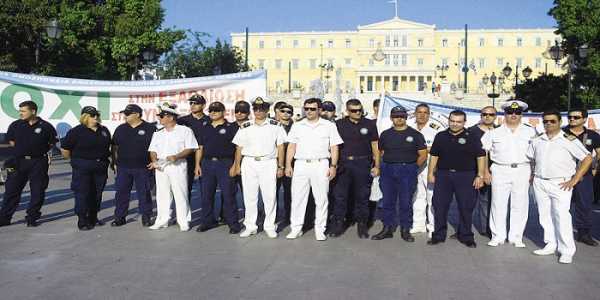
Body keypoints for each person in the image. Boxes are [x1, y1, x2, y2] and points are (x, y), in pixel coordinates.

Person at [528, 110, 592, 264]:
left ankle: (566, 250)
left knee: (561, 216)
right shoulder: (538, 140)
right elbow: (531, 158)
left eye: (552, 121)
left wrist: (575, 179)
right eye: (546, 121)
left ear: (559, 122)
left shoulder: (568, 139)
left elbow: (587, 158)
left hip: (560, 183)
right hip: (540, 181)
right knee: (544, 215)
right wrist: (532, 175)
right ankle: (550, 244)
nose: (549, 124)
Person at [285, 98, 343, 241]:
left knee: (321, 198)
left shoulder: (329, 126)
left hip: (321, 164)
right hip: (301, 164)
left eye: (312, 109)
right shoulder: (297, 125)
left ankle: (320, 229)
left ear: (319, 110)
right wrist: (288, 165)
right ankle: (296, 228)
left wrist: (333, 166)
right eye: (306, 108)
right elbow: (291, 146)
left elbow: (334, 147)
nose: (309, 111)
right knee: (298, 198)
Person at [481, 101, 536, 247]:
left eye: (517, 112)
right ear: (504, 114)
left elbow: (536, 153)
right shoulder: (494, 132)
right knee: (497, 203)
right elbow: (484, 152)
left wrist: (534, 172)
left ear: (521, 114)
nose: (513, 115)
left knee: (520, 204)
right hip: (500, 169)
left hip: (523, 169)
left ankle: (516, 237)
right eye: (510, 112)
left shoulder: (530, 131)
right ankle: (497, 236)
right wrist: (485, 172)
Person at [427, 110, 486, 248]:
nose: (455, 124)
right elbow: (434, 155)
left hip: (466, 176)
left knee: (466, 207)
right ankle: (438, 235)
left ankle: (466, 235)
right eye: (452, 121)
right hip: (443, 175)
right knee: (440, 206)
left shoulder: (472, 136)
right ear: (449, 120)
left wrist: (480, 175)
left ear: (464, 122)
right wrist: (431, 173)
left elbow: (480, 156)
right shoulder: (440, 136)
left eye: (458, 122)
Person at [233, 97, 287, 238]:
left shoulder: (276, 125)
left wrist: (280, 166)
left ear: (267, 110)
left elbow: (280, 147)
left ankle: (269, 226)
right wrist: (237, 165)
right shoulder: (245, 126)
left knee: (269, 196)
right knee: (249, 196)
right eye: (255, 109)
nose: (258, 111)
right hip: (249, 162)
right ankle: (250, 226)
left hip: (268, 162)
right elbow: (239, 147)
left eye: (261, 109)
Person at [373, 106, 427, 241]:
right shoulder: (385, 134)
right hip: (388, 170)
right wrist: (378, 167)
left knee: (405, 202)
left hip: (407, 170)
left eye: (402, 116)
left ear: (406, 118)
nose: (399, 119)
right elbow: (379, 152)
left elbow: (423, 155)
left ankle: (405, 229)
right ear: (391, 118)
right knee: (387, 200)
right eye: (396, 116)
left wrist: (413, 167)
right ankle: (387, 228)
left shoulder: (415, 134)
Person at [0, 100, 57, 227]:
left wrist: (38, 151)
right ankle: (4, 218)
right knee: (11, 191)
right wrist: (22, 150)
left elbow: (52, 142)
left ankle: (32, 217)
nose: (21, 113)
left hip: (38, 162)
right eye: (20, 111)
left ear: (33, 111)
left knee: (37, 191)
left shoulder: (46, 126)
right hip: (18, 161)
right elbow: (11, 141)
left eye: (23, 111)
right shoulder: (16, 125)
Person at [329, 99, 379, 239]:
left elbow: (375, 145)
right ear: (347, 111)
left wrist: (377, 165)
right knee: (340, 196)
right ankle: (338, 223)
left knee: (362, 196)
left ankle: (362, 225)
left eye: (359, 110)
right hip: (344, 164)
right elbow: (333, 145)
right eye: (354, 111)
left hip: (362, 163)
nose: (357, 113)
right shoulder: (339, 124)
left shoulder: (369, 124)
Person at [147, 102, 197, 231]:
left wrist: (177, 156)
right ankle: (162, 220)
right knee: (162, 194)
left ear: (171, 117)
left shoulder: (185, 130)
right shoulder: (158, 133)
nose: (160, 118)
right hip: (161, 167)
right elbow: (152, 150)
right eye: (159, 115)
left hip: (177, 165)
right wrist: (154, 161)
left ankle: (184, 221)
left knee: (180, 193)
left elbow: (191, 148)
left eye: (162, 115)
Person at [61, 106, 112, 231]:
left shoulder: (104, 130)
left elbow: (109, 147)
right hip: (83, 166)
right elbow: (65, 149)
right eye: (92, 115)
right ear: (85, 117)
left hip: (100, 166)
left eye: (96, 114)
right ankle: (82, 219)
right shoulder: (76, 131)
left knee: (97, 193)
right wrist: (75, 162)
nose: (95, 117)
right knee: (82, 193)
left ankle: (93, 217)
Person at [195, 101, 242, 234]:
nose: (213, 113)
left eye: (216, 110)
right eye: (211, 110)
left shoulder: (231, 127)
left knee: (228, 195)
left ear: (223, 112)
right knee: (206, 195)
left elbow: (238, 148)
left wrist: (235, 165)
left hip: (225, 163)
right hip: (207, 163)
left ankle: (233, 223)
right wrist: (197, 164)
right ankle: (207, 221)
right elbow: (200, 147)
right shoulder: (204, 126)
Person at [110, 104, 156, 227]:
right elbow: (114, 146)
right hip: (123, 167)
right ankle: (120, 217)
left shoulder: (150, 128)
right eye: (124, 113)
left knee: (144, 193)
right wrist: (114, 162)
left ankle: (146, 216)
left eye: (128, 114)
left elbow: (155, 147)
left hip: (143, 167)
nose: (125, 116)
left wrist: (154, 161)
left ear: (137, 114)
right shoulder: (121, 128)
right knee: (121, 192)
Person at [562, 108, 600, 247]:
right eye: (570, 117)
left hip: (584, 176)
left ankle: (584, 233)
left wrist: (595, 168)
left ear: (584, 119)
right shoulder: (562, 133)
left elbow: (598, 153)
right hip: (563, 175)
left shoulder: (592, 135)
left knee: (585, 204)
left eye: (576, 117)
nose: (572, 119)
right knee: (561, 205)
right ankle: (558, 232)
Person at [408, 103, 442, 237]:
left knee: (431, 197)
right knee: (417, 196)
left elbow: (439, 149)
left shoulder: (436, 129)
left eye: (425, 112)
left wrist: (424, 150)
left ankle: (432, 226)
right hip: (413, 165)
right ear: (415, 113)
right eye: (419, 112)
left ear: (429, 114)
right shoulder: (409, 127)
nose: (422, 115)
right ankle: (418, 224)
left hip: (430, 166)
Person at [468, 105, 498, 239]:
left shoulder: (500, 131)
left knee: (488, 200)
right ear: (481, 115)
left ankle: (487, 228)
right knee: (467, 201)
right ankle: (463, 229)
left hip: (492, 171)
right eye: (485, 114)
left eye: (491, 114)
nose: (487, 116)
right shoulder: (471, 131)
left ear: (495, 116)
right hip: (471, 170)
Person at [177, 95, 209, 202]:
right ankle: (184, 215)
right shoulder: (182, 121)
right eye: (191, 103)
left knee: (206, 190)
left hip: (205, 157)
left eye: (196, 103)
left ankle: (207, 216)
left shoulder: (209, 120)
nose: (193, 105)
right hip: (187, 157)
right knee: (185, 188)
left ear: (203, 105)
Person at [275, 103, 294, 227]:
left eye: (288, 111)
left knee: (290, 192)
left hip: (291, 164)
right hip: (275, 163)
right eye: (283, 111)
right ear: (278, 112)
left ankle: (289, 216)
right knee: (272, 192)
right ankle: (274, 216)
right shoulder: (273, 126)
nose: (285, 113)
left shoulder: (296, 127)